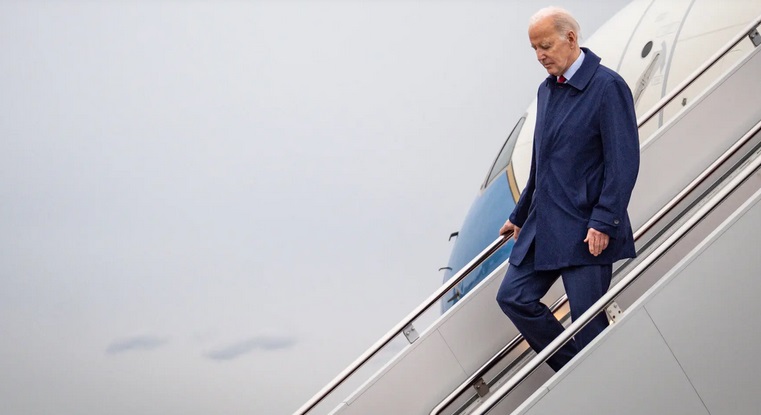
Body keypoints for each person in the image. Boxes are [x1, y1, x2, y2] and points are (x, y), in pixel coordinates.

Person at [496, 7, 639, 372]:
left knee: (590, 328)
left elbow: (623, 162)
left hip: (587, 232)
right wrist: (520, 215)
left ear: (571, 39)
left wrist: (605, 221)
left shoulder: (608, 87)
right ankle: (575, 370)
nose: (540, 56)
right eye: (534, 50)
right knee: (513, 297)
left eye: (545, 46)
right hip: (544, 226)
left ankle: (591, 381)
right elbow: (543, 166)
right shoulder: (547, 91)